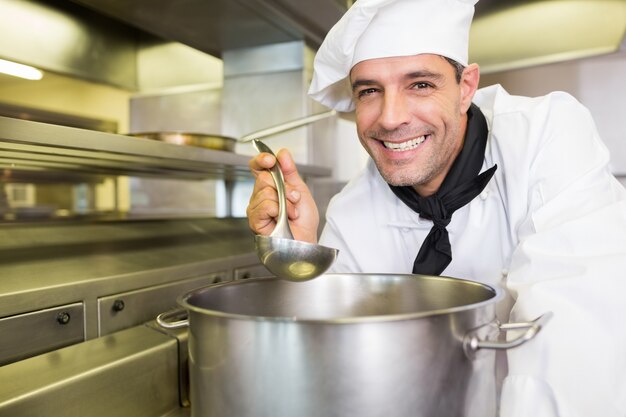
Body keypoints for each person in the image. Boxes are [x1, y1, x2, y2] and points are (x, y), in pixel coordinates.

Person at [246, 0, 626, 415]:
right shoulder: (350, 212)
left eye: (420, 84)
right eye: (370, 91)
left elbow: (572, 334)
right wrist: (303, 263)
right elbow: (335, 361)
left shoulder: (546, 138)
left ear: (466, 88)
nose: (390, 118)